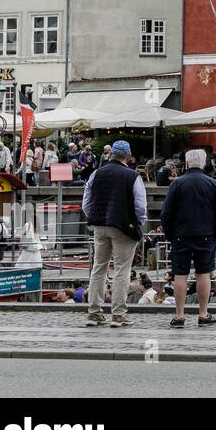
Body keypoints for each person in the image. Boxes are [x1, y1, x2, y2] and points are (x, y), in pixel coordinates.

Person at [81, 140, 148, 327]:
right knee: (122, 270)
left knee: (98, 268)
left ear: (110, 154)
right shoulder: (132, 176)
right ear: (127, 156)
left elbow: (86, 202)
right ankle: (118, 314)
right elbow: (140, 205)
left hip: (99, 225)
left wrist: (93, 218)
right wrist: (138, 222)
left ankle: (94, 313)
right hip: (123, 226)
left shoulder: (96, 173)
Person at [160, 148, 216, 328]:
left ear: (187, 163)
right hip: (205, 235)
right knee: (203, 274)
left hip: (180, 235)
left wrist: (170, 235)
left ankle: (180, 315)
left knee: (180, 274)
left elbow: (166, 214)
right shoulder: (212, 184)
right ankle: (203, 313)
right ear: (204, 163)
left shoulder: (176, 184)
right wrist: (215, 234)